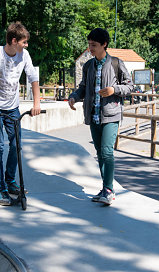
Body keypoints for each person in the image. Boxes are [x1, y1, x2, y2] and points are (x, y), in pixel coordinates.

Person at [68, 28, 134, 205]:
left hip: (111, 114)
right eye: (89, 45)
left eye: (94, 45)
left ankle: (110, 190)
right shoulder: (88, 66)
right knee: (99, 153)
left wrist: (114, 90)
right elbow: (83, 87)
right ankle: (105, 188)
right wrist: (74, 96)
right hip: (93, 115)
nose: (90, 48)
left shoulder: (116, 63)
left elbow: (130, 87)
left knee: (106, 151)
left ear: (104, 44)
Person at [0, 22, 41, 206]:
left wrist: (36, 103)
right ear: (14, 41)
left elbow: (33, 78)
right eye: (24, 42)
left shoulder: (24, 55)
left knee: (16, 146)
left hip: (13, 108)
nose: (26, 45)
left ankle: (10, 180)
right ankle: (1, 189)